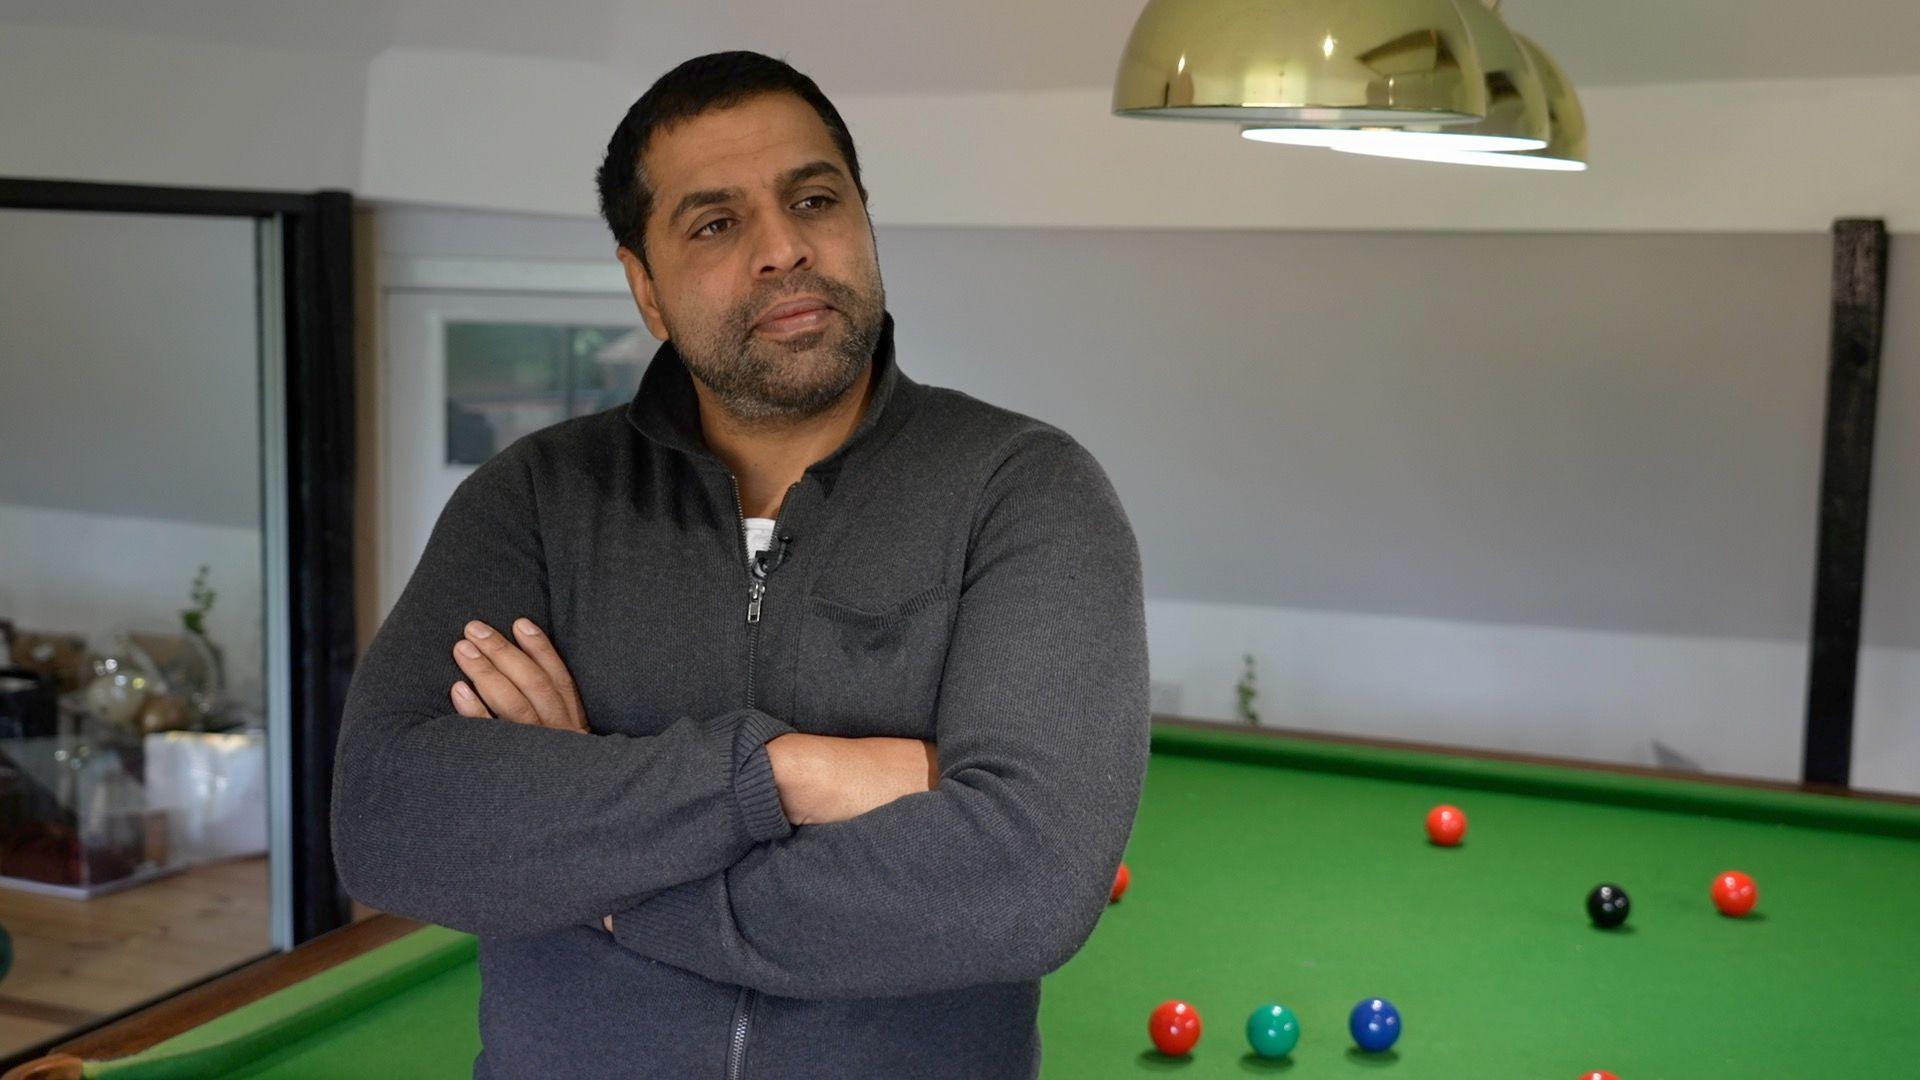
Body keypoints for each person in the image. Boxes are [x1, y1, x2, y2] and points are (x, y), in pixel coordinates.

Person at [331, 50, 1149, 1080]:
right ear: (646, 288)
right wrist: (781, 773)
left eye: (814, 198)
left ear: (863, 219)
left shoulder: (1025, 491)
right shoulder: (536, 500)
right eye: (715, 223)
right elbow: (390, 819)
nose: (783, 248)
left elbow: (1024, 880)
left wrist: (599, 867)